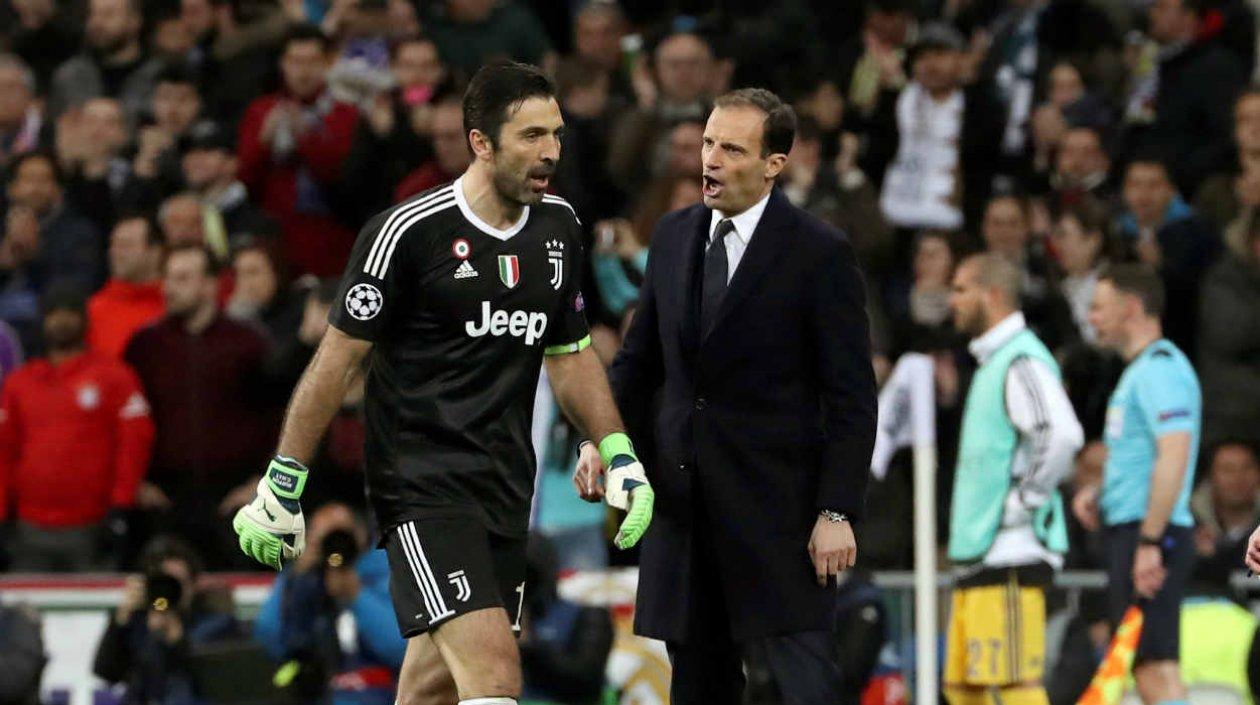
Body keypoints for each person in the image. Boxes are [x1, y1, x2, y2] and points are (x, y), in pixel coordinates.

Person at [231, 63, 654, 705]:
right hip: (424, 488)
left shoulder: (559, 229)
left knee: (432, 688)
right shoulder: (407, 235)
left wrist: (617, 449)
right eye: (531, 136)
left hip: (507, 489)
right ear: (481, 143)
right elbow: (335, 362)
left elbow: (568, 354)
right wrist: (283, 482)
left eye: (558, 135)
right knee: (494, 676)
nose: (551, 153)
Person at [595, 87, 877, 703]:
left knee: (808, 689)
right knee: (698, 689)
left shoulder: (819, 253)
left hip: (780, 516)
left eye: (731, 148)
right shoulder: (672, 235)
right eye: (707, 143)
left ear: (775, 163)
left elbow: (852, 397)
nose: (710, 160)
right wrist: (605, 440)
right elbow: (639, 363)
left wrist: (836, 511)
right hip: (684, 513)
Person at [943, 253, 1084, 705]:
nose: (953, 301)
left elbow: (1061, 433)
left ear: (994, 295)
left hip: (1011, 551)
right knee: (964, 689)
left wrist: (1023, 503)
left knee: (1014, 687)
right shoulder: (995, 363)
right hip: (984, 553)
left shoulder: (1021, 359)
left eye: (962, 288)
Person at [1074, 264, 1201, 705]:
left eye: (1098, 307)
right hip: (1137, 529)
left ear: (1130, 308)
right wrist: (1101, 492)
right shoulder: (1141, 370)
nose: (1091, 318)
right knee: (1146, 661)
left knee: (1154, 664)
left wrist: (1150, 540)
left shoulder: (1159, 369)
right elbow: (1144, 457)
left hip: (1150, 534)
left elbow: (1174, 454)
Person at [125, 245, 277, 568]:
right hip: (165, 500)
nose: (169, 287)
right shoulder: (145, 347)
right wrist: (136, 481)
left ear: (211, 284)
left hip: (235, 498)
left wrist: (262, 482)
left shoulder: (248, 343)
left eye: (182, 278)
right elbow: (124, 421)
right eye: (167, 277)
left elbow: (278, 417)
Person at [0, 284, 155, 571]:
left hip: (92, 527)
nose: (61, 320)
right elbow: (4, 451)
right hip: (28, 529)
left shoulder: (114, 376)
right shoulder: (19, 383)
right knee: (23, 612)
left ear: (84, 319)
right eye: (54, 313)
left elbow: (134, 442)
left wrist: (121, 505)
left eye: (70, 312)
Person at [236, 25, 359, 277]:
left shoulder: (346, 113)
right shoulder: (261, 111)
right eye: (295, 61)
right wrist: (263, 143)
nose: (303, 71)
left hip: (333, 240)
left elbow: (345, 176)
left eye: (312, 61)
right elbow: (245, 180)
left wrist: (306, 138)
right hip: (276, 242)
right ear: (283, 64)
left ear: (328, 63)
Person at [253, 503, 406, 705]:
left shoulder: (386, 572)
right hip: (319, 693)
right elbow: (270, 637)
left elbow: (401, 649)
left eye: (341, 534)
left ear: (359, 534)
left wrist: (356, 595)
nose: (335, 546)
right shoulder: (302, 581)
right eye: (326, 538)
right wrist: (296, 573)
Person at [92, 536, 239, 703]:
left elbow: (214, 682)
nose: (170, 591)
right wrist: (120, 621)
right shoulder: (139, 620)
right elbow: (106, 673)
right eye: (164, 582)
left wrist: (177, 640)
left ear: (193, 586)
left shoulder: (216, 623)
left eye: (179, 583)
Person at [46, 0, 165, 123]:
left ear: (134, 21)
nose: (97, 23)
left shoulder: (161, 77)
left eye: (108, 14)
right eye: (92, 14)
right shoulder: (69, 77)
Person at [87, 214, 165, 357]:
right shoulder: (94, 309)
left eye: (126, 245)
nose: (116, 253)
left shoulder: (175, 304)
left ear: (155, 252)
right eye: (113, 245)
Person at [1192, 441, 1260, 591]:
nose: (1238, 477)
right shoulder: (1187, 526)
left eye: (1247, 468)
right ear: (1210, 477)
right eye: (1228, 469)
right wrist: (1199, 557)